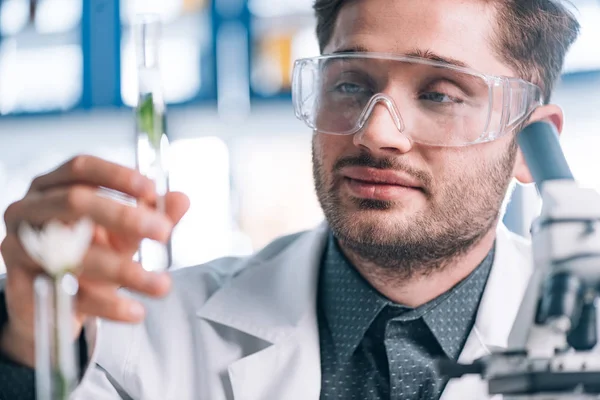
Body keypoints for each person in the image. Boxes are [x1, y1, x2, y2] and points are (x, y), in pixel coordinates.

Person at [0, 0, 581, 399]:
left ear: (532, 144)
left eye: (440, 93)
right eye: (350, 84)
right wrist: (27, 341)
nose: (376, 132)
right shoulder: (144, 339)